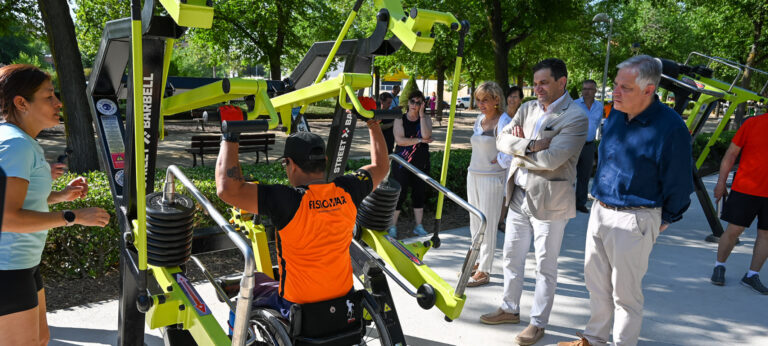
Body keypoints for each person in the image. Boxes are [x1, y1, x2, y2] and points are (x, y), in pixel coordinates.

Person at [559, 55, 693, 346]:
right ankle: (594, 339)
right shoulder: (617, 113)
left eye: (625, 87)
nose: (615, 92)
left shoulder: (671, 128)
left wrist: (665, 218)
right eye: (616, 85)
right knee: (596, 284)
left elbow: (680, 183)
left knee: (626, 295)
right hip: (601, 209)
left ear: (648, 90)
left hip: (636, 217)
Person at [216, 113, 389, 321]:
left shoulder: (286, 200)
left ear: (291, 164)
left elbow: (227, 190)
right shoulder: (348, 190)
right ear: (324, 161)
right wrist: (373, 123)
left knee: (239, 304)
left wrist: (230, 136)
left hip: (296, 308)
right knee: (262, 280)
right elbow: (381, 167)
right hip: (343, 304)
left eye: (285, 164)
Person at [0, 64, 111, 345]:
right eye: (49, 96)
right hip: (7, 269)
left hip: (23, 265)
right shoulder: (16, 145)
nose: (58, 102)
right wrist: (72, 216)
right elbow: (7, 218)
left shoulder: (21, 141)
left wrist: (59, 196)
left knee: (41, 339)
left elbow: (19, 198)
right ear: (21, 103)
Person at [482, 58, 587, 346]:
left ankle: (538, 323)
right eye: (535, 83)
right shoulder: (527, 108)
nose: (537, 88)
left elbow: (553, 160)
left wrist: (518, 150)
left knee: (545, 266)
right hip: (518, 195)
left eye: (544, 83)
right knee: (511, 257)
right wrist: (529, 145)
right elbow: (501, 139)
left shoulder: (575, 116)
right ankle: (509, 308)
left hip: (551, 201)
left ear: (562, 82)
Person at [710, 112, 768, 294]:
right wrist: (721, 182)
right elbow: (730, 154)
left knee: (766, 235)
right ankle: (719, 266)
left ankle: (752, 275)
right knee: (734, 230)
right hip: (746, 188)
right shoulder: (752, 123)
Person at [465, 81, 507, 287]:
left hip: (492, 177)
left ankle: (485, 269)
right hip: (473, 174)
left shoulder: (504, 120)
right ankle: (476, 260)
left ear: (496, 100)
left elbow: (511, 150)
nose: (481, 104)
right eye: (478, 100)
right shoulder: (479, 119)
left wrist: (499, 161)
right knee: (475, 221)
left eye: (485, 100)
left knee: (488, 224)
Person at [389, 90, 433, 238]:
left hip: (421, 162)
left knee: (419, 193)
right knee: (399, 194)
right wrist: (419, 140)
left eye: (418, 102)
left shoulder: (425, 118)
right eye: (413, 102)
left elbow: (427, 134)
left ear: (422, 104)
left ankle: (418, 226)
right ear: (408, 103)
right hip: (402, 162)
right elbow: (400, 140)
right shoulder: (400, 119)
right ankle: (392, 226)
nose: (415, 105)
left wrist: (421, 115)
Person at [574, 80, 603, 213]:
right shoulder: (574, 105)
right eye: (584, 88)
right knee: (569, 174)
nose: (586, 91)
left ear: (595, 91)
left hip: (589, 146)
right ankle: (567, 202)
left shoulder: (599, 106)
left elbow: (597, 124)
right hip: (574, 144)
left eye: (589, 89)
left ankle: (580, 203)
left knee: (584, 176)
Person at [496, 86, 523, 231]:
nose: (512, 99)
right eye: (510, 96)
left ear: (520, 100)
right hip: (500, 159)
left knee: (507, 192)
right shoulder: (502, 117)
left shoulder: (521, 117)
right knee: (498, 192)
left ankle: (501, 220)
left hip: (514, 160)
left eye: (515, 97)